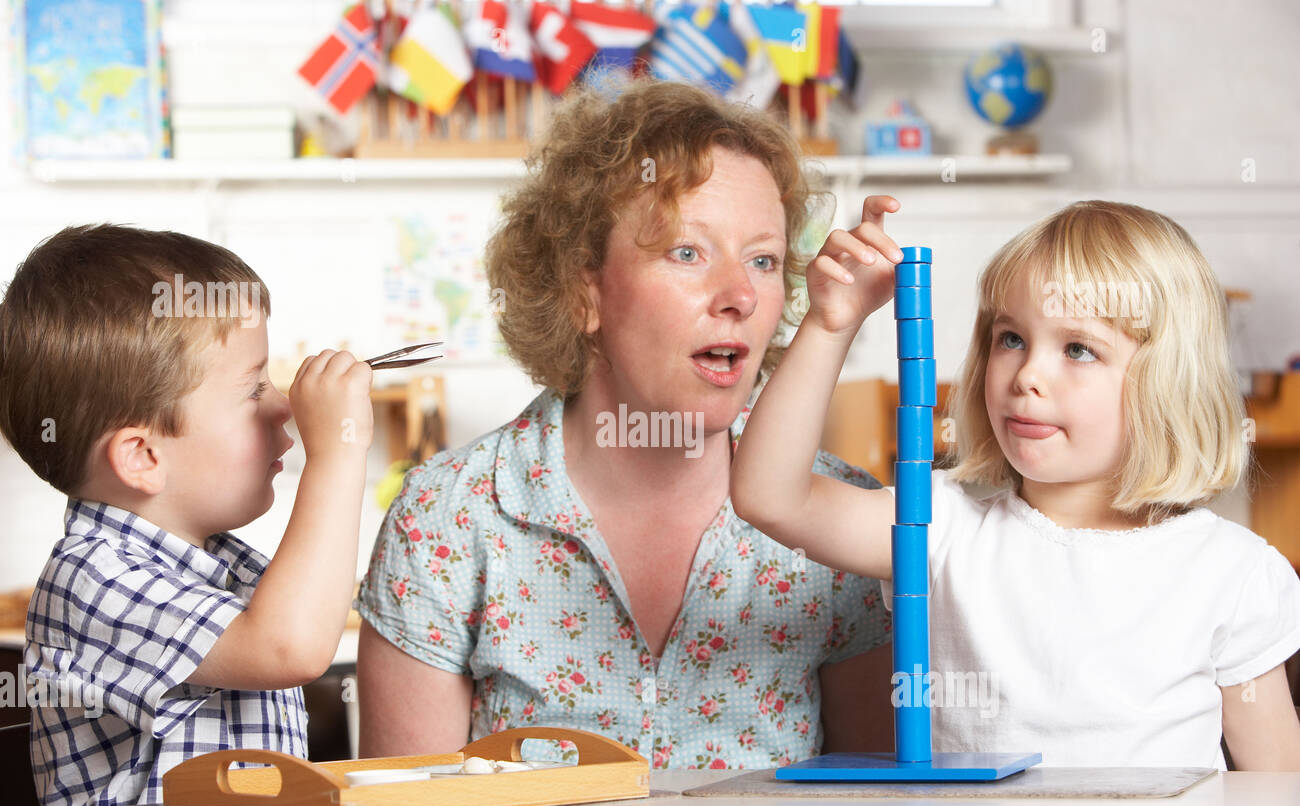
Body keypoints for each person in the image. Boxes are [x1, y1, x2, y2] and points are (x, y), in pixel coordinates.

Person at [356, 78, 894, 768]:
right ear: (585, 293)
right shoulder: (447, 520)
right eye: (687, 252)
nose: (738, 296)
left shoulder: (840, 525)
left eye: (763, 260)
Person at [732, 199, 1300, 769]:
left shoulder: (1232, 571)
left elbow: (1277, 798)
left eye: (1078, 348)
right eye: (1011, 339)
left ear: (1169, 382)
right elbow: (770, 497)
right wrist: (832, 324)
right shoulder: (938, 528)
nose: (1028, 375)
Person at [0, 225, 374, 806]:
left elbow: (305, 614)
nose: (283, 407)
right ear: (143, 457)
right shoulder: (91, 578)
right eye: (254, 390)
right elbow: (291, 647)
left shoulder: (215, 560)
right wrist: (339, 453)